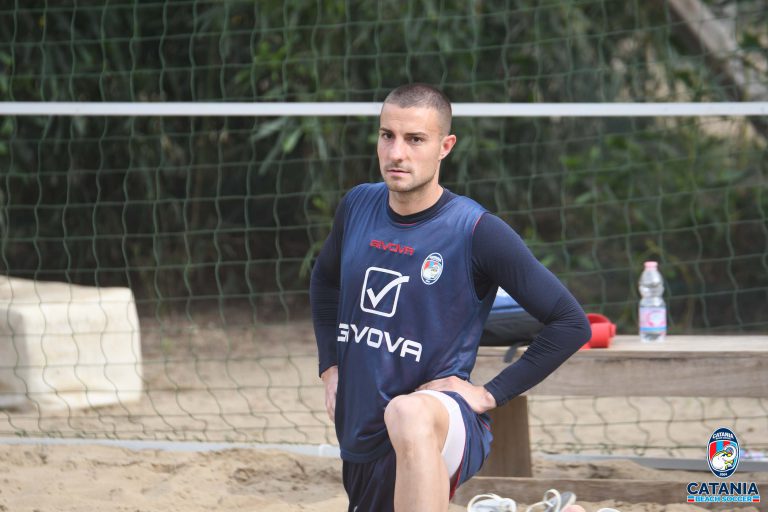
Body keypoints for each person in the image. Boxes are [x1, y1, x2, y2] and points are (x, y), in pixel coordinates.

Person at [310, 83, 591, 512]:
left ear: (445, 146)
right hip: (362, 430)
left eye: (415, 139)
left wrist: (489, 394)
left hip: (439, 420)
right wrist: (330, 365)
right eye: (387, 135)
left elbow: (570, 323)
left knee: (407, 413)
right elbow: (324, 280)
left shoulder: (476, 230)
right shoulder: (357, 205)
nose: (396, 153)